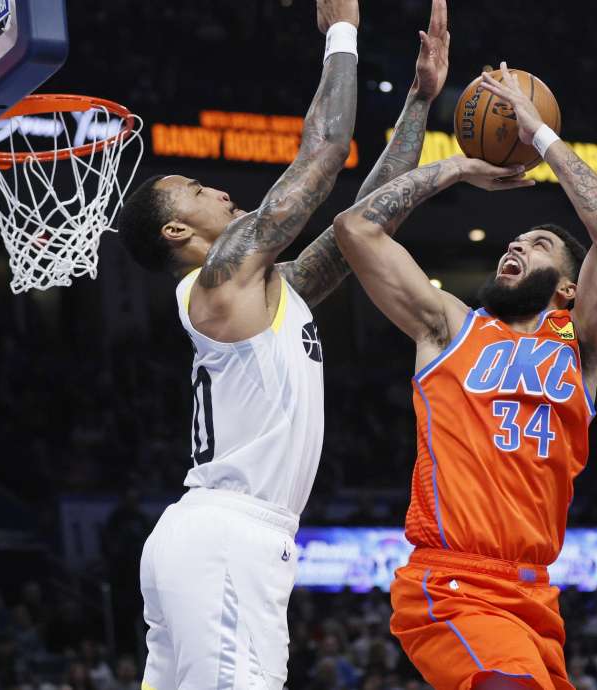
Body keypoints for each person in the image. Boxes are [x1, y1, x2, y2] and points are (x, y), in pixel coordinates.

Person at [114, 0, 454, 686]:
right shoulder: (216, 279)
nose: (216, 191)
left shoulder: (269, 287)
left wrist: (420, 100)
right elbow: (324, 153)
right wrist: (342, 33)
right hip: (230, 540)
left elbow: (367, 219)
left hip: (212, 540)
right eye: (195, 191)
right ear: (177, 234)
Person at [333, 61, 597, 689]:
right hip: (451, 582)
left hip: (536, 600)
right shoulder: (449, 327)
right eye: (514, 242)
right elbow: (355, 228)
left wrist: (541, 137)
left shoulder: (581, 348)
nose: (515, 247)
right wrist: (461, 167)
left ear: (571, 289)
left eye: (538, 245)